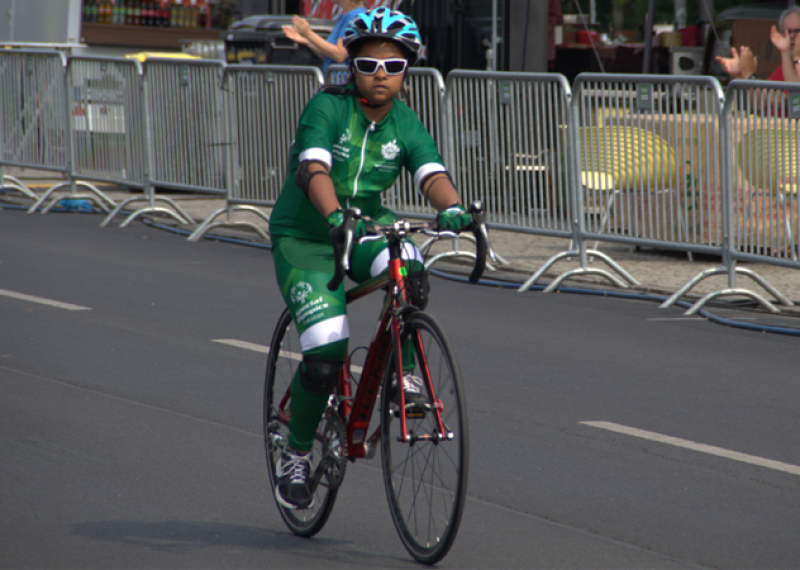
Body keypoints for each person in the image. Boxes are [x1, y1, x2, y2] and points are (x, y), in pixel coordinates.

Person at [268, 7, 473, 510]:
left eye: (394, 67)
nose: (381, 75)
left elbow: (431, 172)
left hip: (365, 225)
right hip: (309, 235)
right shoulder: (326, 108)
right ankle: (294, 452)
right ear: (352, 65)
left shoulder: (406, 121)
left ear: (408, 72)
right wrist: (335, 214)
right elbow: (312, 169)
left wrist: (453, 208)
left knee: (411, 270)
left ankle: (405, 375)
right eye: (369, 64)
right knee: (324, 353)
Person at [715, 5, 800, 82]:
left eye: (797, 31)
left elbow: (793, 94)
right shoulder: (784, 68)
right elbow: (764, 94)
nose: (792, 36)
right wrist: (740, 75)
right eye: (787, 32)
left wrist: (748, 75)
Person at [283, 0, 367, 74]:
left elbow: (339, 55)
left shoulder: (354, 16)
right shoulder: (344, 16)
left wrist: (308, 33)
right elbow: (329, 55)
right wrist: (307, 40)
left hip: (343, 84)